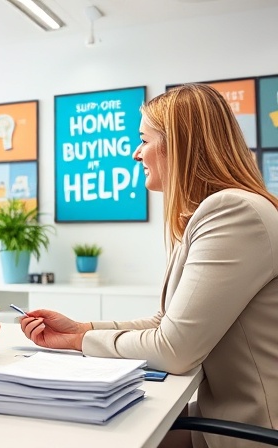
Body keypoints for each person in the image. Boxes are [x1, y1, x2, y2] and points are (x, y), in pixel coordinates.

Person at [18, 84, 278, 448]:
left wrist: (80, 340)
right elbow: (165, 323)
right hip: (221, 418)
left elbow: (174, 349)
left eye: (144, 140)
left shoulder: (233, 213)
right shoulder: (212, 213)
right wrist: (82, 328)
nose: (136, 154)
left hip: (251, 431)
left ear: (180, 144)